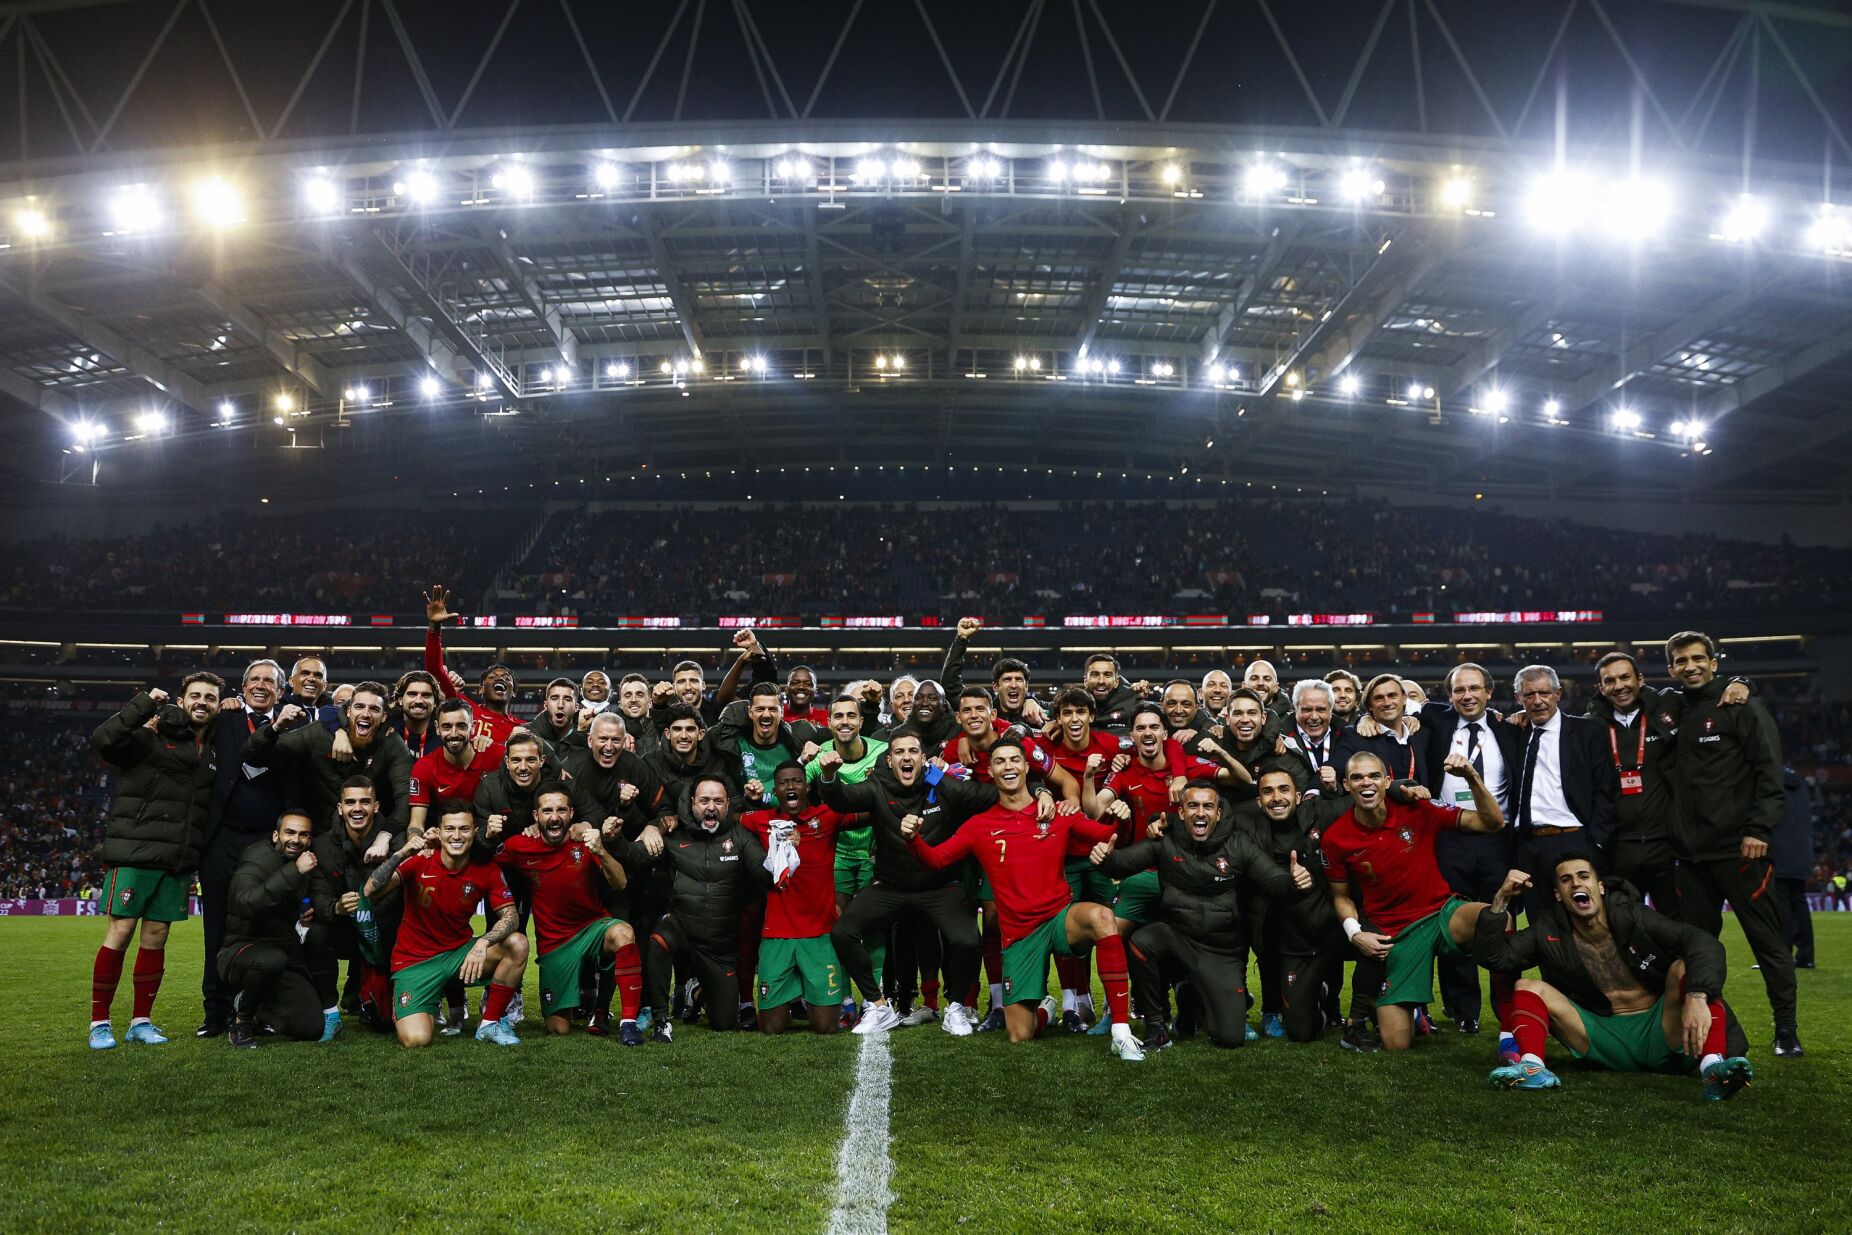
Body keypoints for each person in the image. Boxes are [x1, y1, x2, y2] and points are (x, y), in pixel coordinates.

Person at [902, 739, 1144, 1060]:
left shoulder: (1058, 812)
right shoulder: (979, 825)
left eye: (1015, 760)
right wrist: (912, 839)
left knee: (1101, 916)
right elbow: (935, 859)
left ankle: (1121, 1032)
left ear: (1027, 768)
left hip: (1060, 919)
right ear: (990, 772)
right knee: (1020, 1034)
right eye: (1000, 762)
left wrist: (1120, 817)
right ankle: (1045, 1008)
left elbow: (1106, 835)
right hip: (1019, 935)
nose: (1008, 767)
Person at [1472, 854, 1753, 1100]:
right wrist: (1501, 899)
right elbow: (1496, 958)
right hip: (1601, 1037)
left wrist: (1696, 996)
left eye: (1584, 876)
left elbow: (1701, 943)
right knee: (1528, 986)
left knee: (1686, 968)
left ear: (1600, 887)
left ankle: (1713, 1067)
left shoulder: (1633, 915)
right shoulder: (1546, 928)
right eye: (1566, 880)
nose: (1577, 884)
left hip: (1664, 1033)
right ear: (1558, 894)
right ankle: (1533, 1066)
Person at [817, 733, 1023, 1036]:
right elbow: (841, 799)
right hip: (890, 886)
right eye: (899, 752)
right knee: (843, 932)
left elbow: (990, 795)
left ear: (923, 759)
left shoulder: (944, 786)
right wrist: (829, 775)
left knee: (968, 940)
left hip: (941, 887)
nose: (906, 757)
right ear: (889, 760)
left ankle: (955, 1007)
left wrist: (1041, 790)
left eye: (914, 750)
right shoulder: (877, 787)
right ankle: (877, 1005)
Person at [1098, 780, 1314, 1050]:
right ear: (1181, 812)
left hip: (1220, 950)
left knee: (1230, 1038)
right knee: (1142, 942)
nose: (1200, 813)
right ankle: (1155, 1025)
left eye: (1208, 806)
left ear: (1218, 813)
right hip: (1177, 938)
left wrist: (1295, 883)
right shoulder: (1166, 841)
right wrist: (1105, 858)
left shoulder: (1238, 844)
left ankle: (1193, 1000)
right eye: (1193, 806)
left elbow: (1273, 880)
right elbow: (1123, 863)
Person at [1665, 631, 1800, 1056]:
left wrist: (1759, 830)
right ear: (1671, 668)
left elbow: (1769, 772)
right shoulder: (1671, 708)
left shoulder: (1742, 705)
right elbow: (1618, 698)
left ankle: (1786, 1032)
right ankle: (1707, 1033)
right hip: (1690, 856)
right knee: (1699, 951)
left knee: (1769, 943)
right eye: (1681, 661)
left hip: (1741, 852)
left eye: (1698, 658)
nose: (1691, 666)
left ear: (1714, 662)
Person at [1321, 749, 1507, 1051]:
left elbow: (1492, 822)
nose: (1365, 783)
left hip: (1441, 913)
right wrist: (1355, 934)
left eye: (1373, 776)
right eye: (1357, 777)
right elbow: (1340, 896)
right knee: (1397, 1043)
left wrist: (1472, 778)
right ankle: (1403, 1006)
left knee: (1498, 920)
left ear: (1387, 780)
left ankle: (1511, 1026)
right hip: (1396, 934)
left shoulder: (1418, 808)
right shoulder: (1336, 838)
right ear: (1346, 785)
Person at [88, 674, 223, 1050]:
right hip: (134, 852)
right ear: (180, 701)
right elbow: (104, 740)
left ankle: (140, 1022)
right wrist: (143, 704)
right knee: (120, 932)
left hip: (177, 860)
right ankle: (100, 1023)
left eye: (210, 698)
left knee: (156, 937)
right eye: (194, 695)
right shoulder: (149, 735)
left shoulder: (212, 749)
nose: (202, 702)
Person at [364, 803, 528, 1047]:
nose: (457, 836)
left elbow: (511, 917)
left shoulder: (486, 869)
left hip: (458, 956)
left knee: (518, 943)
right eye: (449, 828)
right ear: (438, 832)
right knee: (416, 1039)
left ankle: (490, 1023)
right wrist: (401, 853)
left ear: (475, 831)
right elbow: (370, 891)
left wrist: (483, 942)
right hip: (415, 962)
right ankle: (428, 1003)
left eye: (464, 829)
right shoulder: (420, 860)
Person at [1415, 663, 1522, 1035]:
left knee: (1501, 920)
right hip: (1450, 838)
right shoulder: (1435, 723)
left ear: (1489, 693)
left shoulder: (1511, 732)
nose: (1467, 696)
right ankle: (1464, 1011)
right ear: (1449, 697)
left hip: (1497, 840)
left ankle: (1506, 1006)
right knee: (1453, 919)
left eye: (1475, 688)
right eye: (1459, 690)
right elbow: (1395, 701)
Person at [495, 782, 646, 1044]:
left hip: (592, 928)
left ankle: (629, 1023)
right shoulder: (519, 846)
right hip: (555, 943)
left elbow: (620, 882)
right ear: (536, 816)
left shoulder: (585, 842)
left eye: (561, 810)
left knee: (624, 931)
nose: (555, 817)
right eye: (547, 810)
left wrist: (600, 850)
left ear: (571, 813)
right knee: (558, 1028)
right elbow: (484, 859)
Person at [634, 775, 770, 1037]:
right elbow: (634, 856)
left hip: (718, 944)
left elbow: (762, 873)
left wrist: (781, 854)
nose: (711, 807)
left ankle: (695, 992)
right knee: (658, 941)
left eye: (718, 801)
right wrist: (651, 827)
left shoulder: (740, 837)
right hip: (682, 926)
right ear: (693, 803)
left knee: (724, 1022)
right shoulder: (674, 836)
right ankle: (661, 1018)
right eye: (704, 800)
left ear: (728, 805)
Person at [199, 658, 288, 1038]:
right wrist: (221, 703)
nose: (261, 685)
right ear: (243, 686)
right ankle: (215, 1013)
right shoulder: (225, 718)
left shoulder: (293, 724)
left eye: (269, 681)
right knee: (215, 927)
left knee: (264, 926)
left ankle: (259, 1011)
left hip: (266, 839)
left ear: (280, 691)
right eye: (254, 679)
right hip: (222, 838)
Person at [1235, 768, 1356, 1042]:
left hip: (1328, 931)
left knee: (1378, 942)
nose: (1276, 797)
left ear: (1299, 796)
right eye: (1267, 792)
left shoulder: (1319, 813)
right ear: (1258, 802)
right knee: (1301, 1032)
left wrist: (1400, 788)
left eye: (1284, 789)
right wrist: (1164, 824)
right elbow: (1205, 812)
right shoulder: (1246, 824)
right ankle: (1315, 996)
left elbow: (1361, 797)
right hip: (1291, 945)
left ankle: (1361, 1009)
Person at [741, 762, 860, 1035]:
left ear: (807, 786)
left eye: (797, 781)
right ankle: (795, 991)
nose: (791, 787)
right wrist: (748, 799)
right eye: (784, 783)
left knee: (826, 1026)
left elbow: (869, 807)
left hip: (819, 933)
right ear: (775, 789)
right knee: (771, 1027)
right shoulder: (760, 820)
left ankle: (810, 991)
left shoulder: (828, 816)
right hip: (777, 934)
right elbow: (728, 816)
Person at [1508, 665, 1616, 919]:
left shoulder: (1587, 732)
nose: (1537, 701)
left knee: (1586, 924)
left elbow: (1606, 790)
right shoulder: (1514, 733)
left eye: (1544, 693)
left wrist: (1595, 843)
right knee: (1541, 926)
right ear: (1518, 699)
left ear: (1558, 693)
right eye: (1529, 695)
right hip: (1529, 845)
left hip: (1576, 840)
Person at [241, 681, 414, 839]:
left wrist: (385, 835)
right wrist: (276, 727)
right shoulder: (320, 733)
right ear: (348, 711)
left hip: (370, 836)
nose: (366, 714)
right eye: (359, 707)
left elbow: (405, 798)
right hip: (319, 835)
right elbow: (252, 757)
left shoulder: (392, 742)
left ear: (384, 717)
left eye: (374, 709)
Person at [217, 810, 330, 1048]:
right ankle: (241, 1020)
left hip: (283, 957)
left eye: (303, 835)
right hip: (240, 951)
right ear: (275, 835)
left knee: (310, 1028)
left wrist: (307, 914)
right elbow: (246, 903)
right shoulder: (257, 858)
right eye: (289, 832)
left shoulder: (305, 863)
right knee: (271, 959)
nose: (296, 840)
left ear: (309, 840)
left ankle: (259, 1006)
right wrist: (295, 872)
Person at [1586, 652, 1682, 915]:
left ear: (1640, 679)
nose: (1619, 686)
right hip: (1619, 847)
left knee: (1675, 922)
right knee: (1623, 924)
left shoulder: (1668, 708)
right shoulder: (1590, 727)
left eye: (1625, 677)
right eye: (1610, 680)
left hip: (1665, 843)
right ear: (1601, 687)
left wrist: (1741, 682)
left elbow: (1707, 696)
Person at [306, 776, 397, 1032]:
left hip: (383, 930)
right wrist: (337, 907)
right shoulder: (323, 845)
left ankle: (375, 998)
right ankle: (329, 1010)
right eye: (350, 802)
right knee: (315, 933)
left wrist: (372, 908)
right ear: (340, 808)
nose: (357, 808)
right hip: (342, 927)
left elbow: (402, 895)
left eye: (365, 802)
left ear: (376, 807)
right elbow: (319, 894)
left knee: (386, 1024)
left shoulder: (393, 841)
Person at [423, 585, 520, 748]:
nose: (500, 678)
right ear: (481, 688)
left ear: (514, 691)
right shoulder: (463, 707)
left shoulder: (522, 728)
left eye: (506, 678)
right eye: (492, 677)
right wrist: (434, 628)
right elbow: (434, 670)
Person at [408, 698, 503, 839]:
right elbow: (416, 824)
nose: (453, 733)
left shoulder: (497, 755)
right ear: (437, 728)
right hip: (450, 840)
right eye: (446, 726)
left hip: (492, 837)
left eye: (461, 726)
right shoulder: (424, 767)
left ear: (473, 727)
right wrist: (417, 842)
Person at [1772, 768, 1816, 971]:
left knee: (1781, 903)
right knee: (1799, 903)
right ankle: (1806, 957)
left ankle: (1782, 955)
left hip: (1780, 850)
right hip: (1802, 851)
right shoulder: (1800, 783)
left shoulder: (1771, 778)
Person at [1243, 660, 1293, 725]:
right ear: (1243, 686)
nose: (1260, 683)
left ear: (1276, 687)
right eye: (1254, 678)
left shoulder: (1293, 721)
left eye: (1267, 679)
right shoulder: (1229, 717)